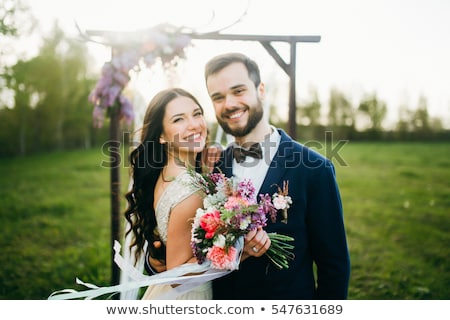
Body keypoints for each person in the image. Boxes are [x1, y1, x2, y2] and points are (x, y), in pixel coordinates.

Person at [147, 52, 351, 299]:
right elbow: (182, 243)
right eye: (218, 97)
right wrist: (155, 257)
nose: (230, 104)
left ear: (261, 90)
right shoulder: (212, 167)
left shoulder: (314, 170)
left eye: (239, 91)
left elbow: (334, 268)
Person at [123, 87, 213, 299]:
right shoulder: (191, 190)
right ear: (162, 135)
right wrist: (235, 249)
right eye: (179, 119)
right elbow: (177, 276)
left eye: (197, 113)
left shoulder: (165, 174)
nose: (194, 124)